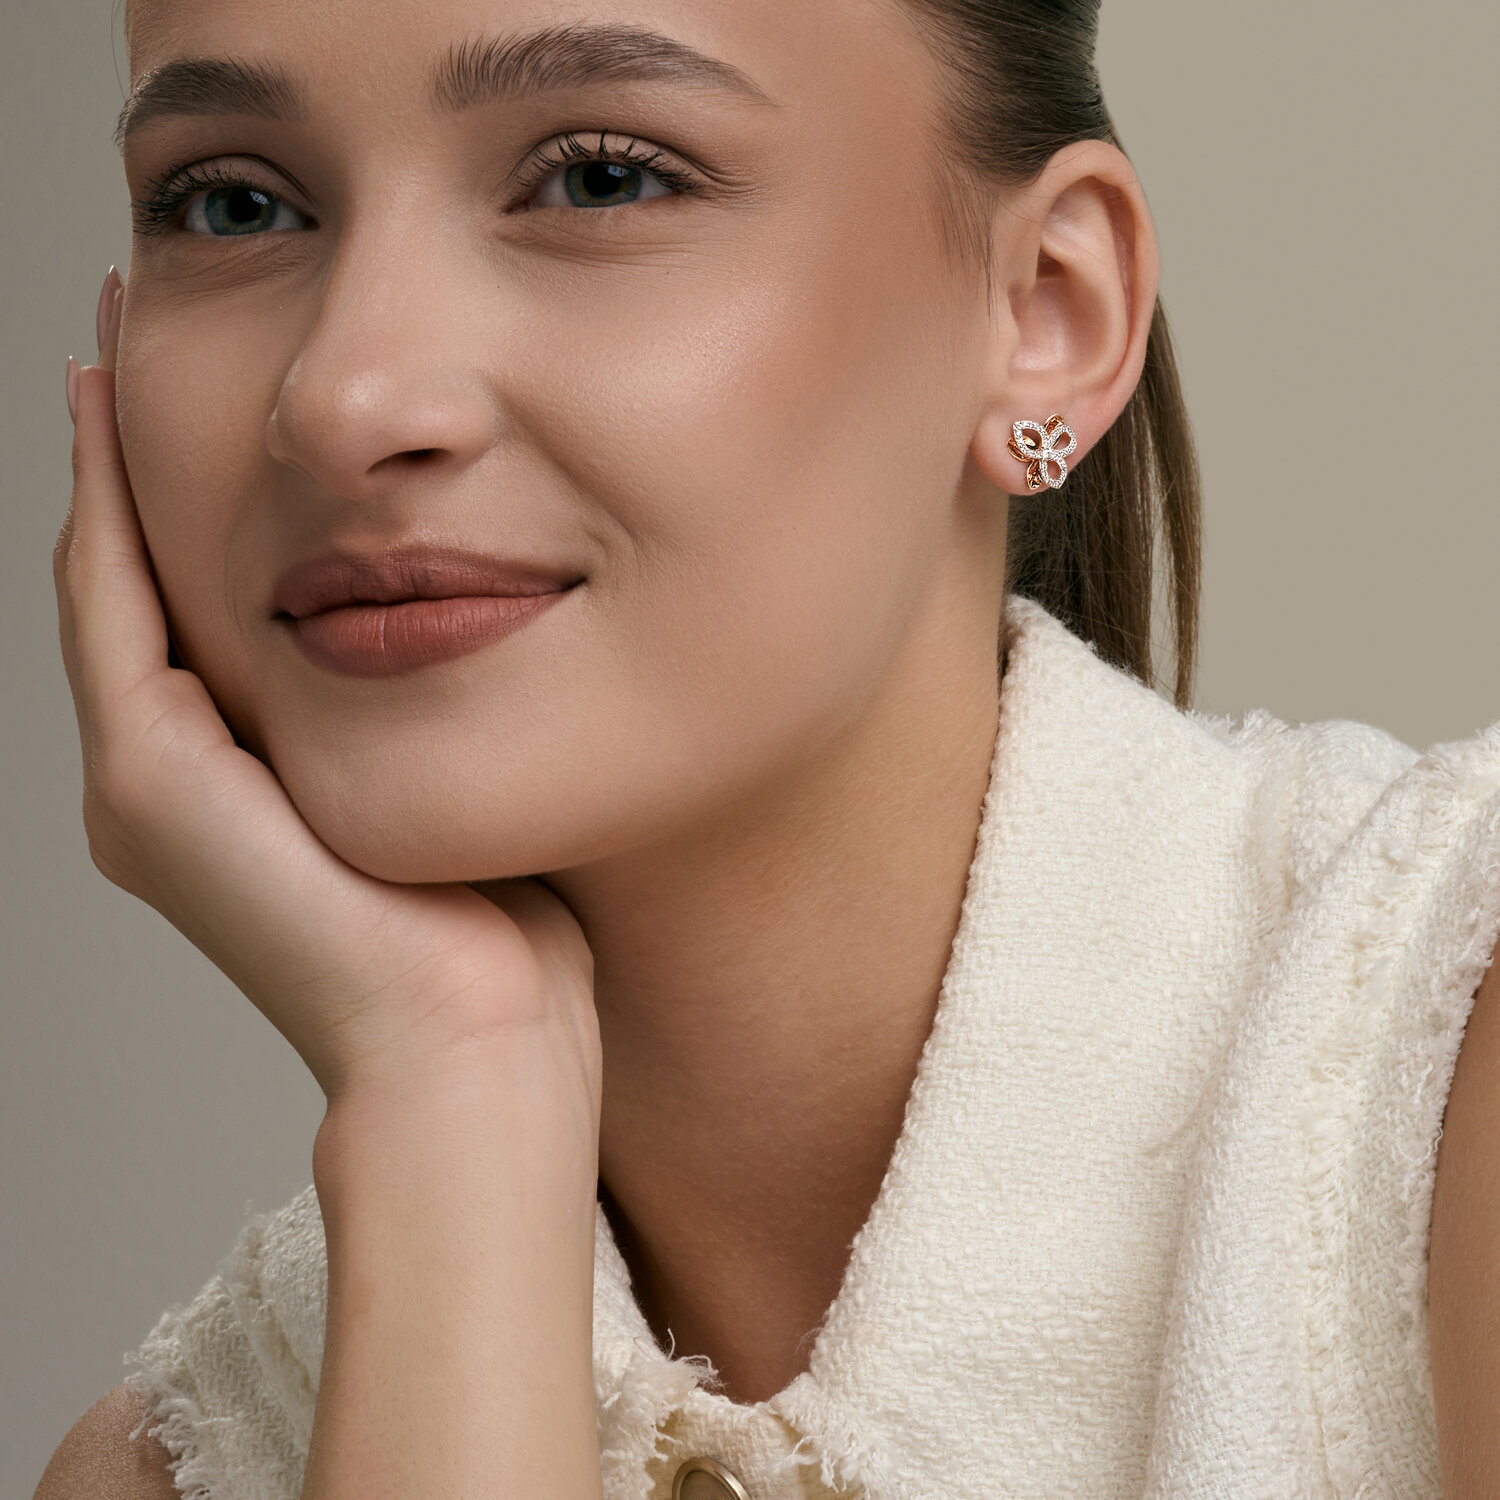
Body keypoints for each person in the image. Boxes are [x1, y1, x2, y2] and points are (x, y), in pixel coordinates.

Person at [30, 0, 1500, 1496]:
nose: (345, 400)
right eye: (231, 204)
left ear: (1045, 314)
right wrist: (451, 1094)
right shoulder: (177, 1472)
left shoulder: (1447, 1050)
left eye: (600, 177)